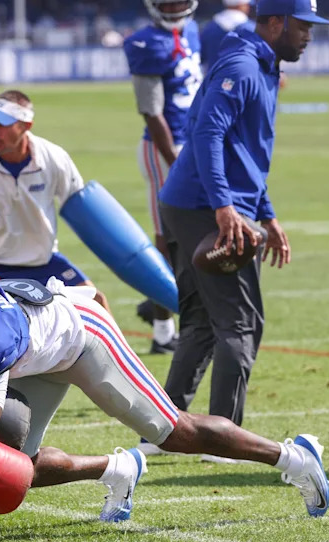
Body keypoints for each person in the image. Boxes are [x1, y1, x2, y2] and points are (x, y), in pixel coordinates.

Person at [0, 260, 329, 534]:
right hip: (39, 350)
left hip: (82, 340)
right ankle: (117, 468)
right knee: (13, 472)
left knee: (173, 431)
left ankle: (292, 457)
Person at [158, 0, 328, 445]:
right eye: (303, 25)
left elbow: (242, 154)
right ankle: (225, 442)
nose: (309, 34)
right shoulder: (244, 66)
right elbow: (209, 134)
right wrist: (225, 207)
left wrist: (266, 214)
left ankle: (159, 429)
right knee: (240, 324)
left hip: (188, 203)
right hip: (204, 207)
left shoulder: (259, 64)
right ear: (276, 23)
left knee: (199, 322)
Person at [0, 90, 112, 314]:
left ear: (26, 125)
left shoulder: (54, 157)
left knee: (96, 301)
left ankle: (123, 350)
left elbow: (79, 205)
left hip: (43, 263)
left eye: (3, 125)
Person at [123, 0, 203, 356]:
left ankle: (163, 308)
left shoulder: (193, 31)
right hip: (164, 149)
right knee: (166, 238)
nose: (174, 7)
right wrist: (175, 158)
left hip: (193, 143)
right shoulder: (148, 43)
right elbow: (151, 112)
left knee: (187, 235)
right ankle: (162, 328)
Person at [200, 0, 255, 71]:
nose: (248, 7)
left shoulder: (210, 27)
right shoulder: (251, 28)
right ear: (241, 5)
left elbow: (202, 57)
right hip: (244, 78)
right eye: (246, 5)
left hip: (215, 78)